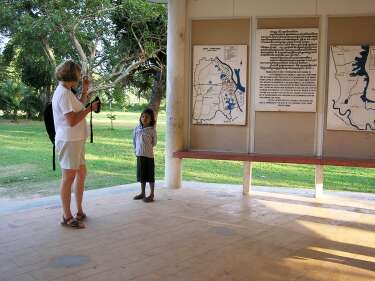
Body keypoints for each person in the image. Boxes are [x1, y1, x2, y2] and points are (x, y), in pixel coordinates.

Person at [52, 60, 99, 228]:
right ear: (72, 76)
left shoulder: (67, 91)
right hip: (69, 140)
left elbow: (77, 107)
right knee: (68, 177)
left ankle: (79, 211)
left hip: (76, 140)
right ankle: (67, 216)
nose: (80, 77)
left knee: (81, 173)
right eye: (78, 75)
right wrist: (89, 109)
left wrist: (85, 90)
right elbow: (71, 120)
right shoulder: (63, 93)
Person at [132, 108, 157, 202]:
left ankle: (152, 194)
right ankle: (142, 193)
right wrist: (136, 150)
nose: (144, 118)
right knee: (142, 175)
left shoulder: (152, 130)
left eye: (147, 117)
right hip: (139, 155)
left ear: (151, 119)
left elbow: (154, 143)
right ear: (140, 118)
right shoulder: (137, 128)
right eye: (143, 116)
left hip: (149, 156)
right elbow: (134, 140)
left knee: (150, 175)